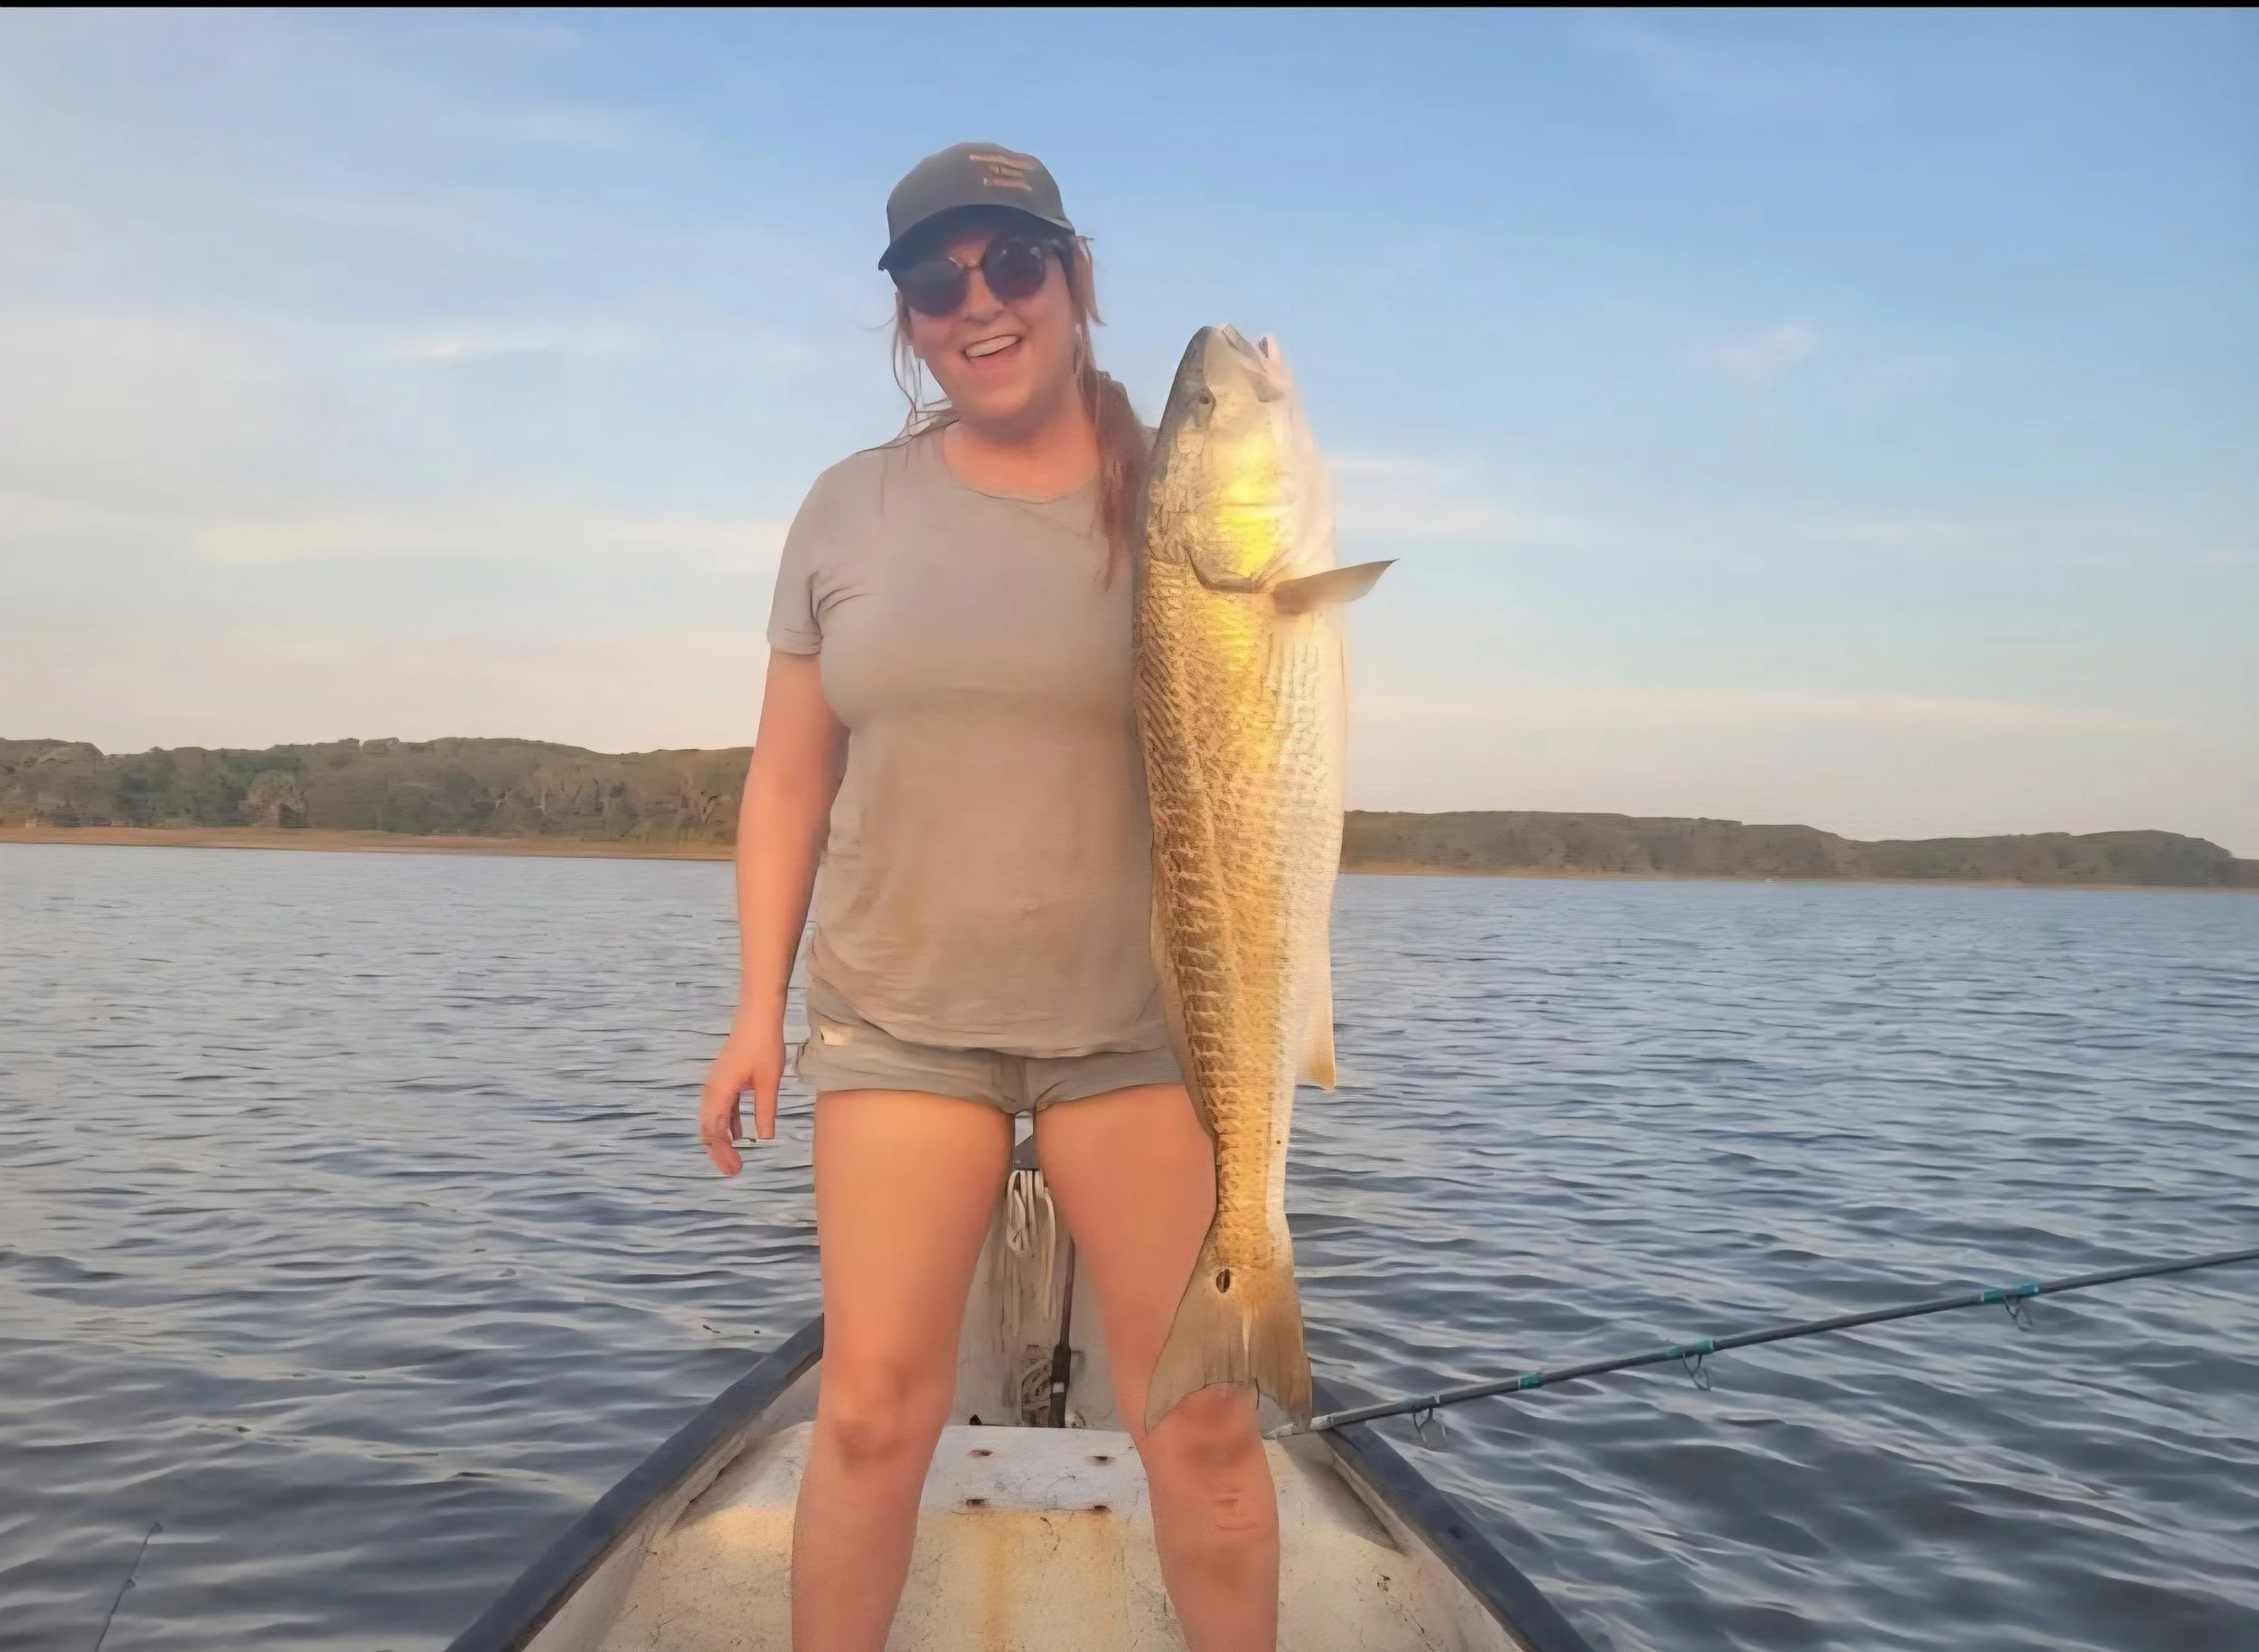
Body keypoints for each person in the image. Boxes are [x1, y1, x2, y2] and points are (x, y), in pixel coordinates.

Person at [698, 143, 1280, 1650]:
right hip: (901, 1024)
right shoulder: (845, 510)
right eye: (935, 278)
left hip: (1144, 1031)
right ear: (905, 317)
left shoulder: (1194, 505)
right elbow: (785, 784)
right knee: (873, 1419)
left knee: (1205, 1428)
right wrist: (754, 1012)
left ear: (1076, 281)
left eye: (1014, 264)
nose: (980, 301)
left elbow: (1271, 732)